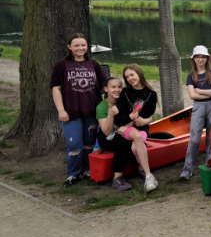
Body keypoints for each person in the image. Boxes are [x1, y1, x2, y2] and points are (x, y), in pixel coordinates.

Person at [51, 33, 107, 186]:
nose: (80, 48)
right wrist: (61, 110)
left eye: (83, 45)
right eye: (76, 45)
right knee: (74, 143)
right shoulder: (61, 65)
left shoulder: (93, 64)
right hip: (71, 112)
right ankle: (73, 173)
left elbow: (104, 86)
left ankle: (88, 170)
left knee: (89, 143)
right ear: (69, 47)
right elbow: (56, 89)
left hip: (92, 111)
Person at [96, 77, 156, 192]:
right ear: (106, 89)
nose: (117, 89)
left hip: (126, 130)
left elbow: (141, 115)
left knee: (134, 138)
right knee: (123, 141)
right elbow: (106, 132)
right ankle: (117, 177)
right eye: (113, 87)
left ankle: (140, 170)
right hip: (108, 138)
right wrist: (110, 115)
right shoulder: (102, 106)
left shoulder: (126, 99)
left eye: (119, 86)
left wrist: (130, 125)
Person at [180, 45, 211, 181]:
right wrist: (203, 93)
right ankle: (188, 168)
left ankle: (209, 163)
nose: (200, 59)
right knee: (195, 138)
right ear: (194, 59)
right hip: (198, 107)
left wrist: (200, 91)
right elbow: (192, 96)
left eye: (203, 57)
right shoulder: (191, 75)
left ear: (207, 59)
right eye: (198, 57)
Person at [118, 64, 157, 135]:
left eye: (132, 75)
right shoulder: (125, 92)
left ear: (139, 73)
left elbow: (148, 114)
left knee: (139, 139)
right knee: (137, 138)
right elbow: (120, 116)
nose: (130, 78)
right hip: (127, 126)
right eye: (127, 77)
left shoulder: (151, 94)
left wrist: (146, 121)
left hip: (143, 127)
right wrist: (128, 124)